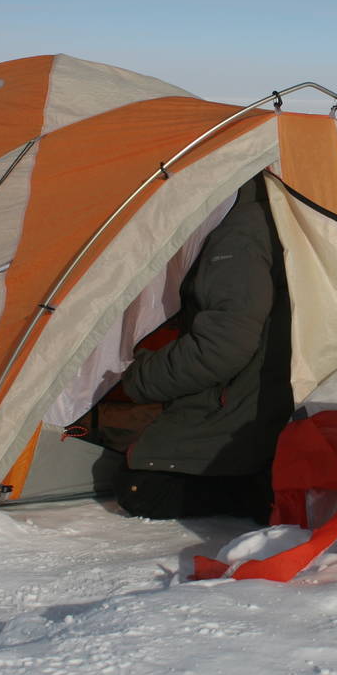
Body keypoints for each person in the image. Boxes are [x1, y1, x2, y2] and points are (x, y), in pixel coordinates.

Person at [102, 176, 292, 523]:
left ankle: (259, 488)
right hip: (274, 409)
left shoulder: (242, 233)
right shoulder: (282, 213)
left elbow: (222, 348)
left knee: (139, 490)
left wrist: (135, 380)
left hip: (239, 417)